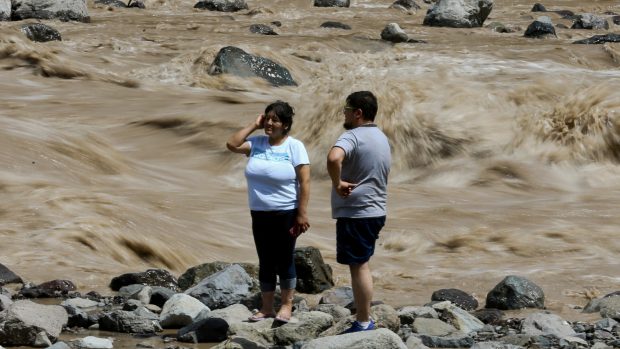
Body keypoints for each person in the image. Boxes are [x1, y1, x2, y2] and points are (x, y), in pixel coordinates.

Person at [226, 101, 310, 323]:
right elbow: (232, 144)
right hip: (259, 212)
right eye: (268, 118)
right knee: (265, 260)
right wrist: (254, 125)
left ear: (286, 124)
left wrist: (302, 214)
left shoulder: (295, 146)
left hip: (286, 212)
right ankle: (266, 308)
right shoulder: (256, 143)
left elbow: (305, 182)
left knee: (284, 259)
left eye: (275, 120)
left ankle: (286, 306)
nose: (270, 123)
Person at [326, 91, 391, 334]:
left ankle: (363, 321)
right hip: (376, 210)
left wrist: (337, 183)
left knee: (359, 265)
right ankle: (364, 317)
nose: (343, 112)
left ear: (358, 113)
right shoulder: (381, 137)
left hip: (357, 212)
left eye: (346, 108)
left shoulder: (352, 136)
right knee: (361, 262)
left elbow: (333, 158)